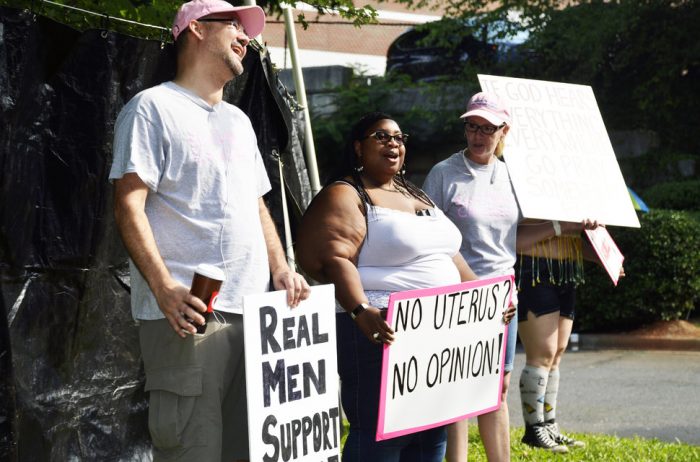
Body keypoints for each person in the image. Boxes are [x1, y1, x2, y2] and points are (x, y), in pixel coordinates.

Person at [109, 1, 310, 460]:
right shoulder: (152, 108)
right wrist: (163, 288)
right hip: (189, 321)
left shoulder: (238, 121)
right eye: (235, 27)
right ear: (196, 30)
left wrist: (281, 267)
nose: (246, 37)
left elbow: (256, 203)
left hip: (258, 318)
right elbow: (128, 204)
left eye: (249, 31)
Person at [296, 112, 514, 461]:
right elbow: (335, 259)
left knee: (430, 438)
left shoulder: (413, 192)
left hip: (436, 332)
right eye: (380, 136)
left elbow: (449, 255)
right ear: (358, 147)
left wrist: (486, 299)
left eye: (398, 137)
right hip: (380, 328)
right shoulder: (347, 193)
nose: (393, 143)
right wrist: (359, 308)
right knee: (381, 436)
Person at [422, 92, 520, 462]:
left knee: (497, 389)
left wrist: (563, 227)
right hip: (458, 296)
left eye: (488, 129)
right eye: (472, 126)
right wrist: (464, 286)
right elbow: (430, 238)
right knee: (461, 388)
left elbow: (514, 237)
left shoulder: (512, 175)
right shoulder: (444, 173)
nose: (478, 136)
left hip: (503, 297)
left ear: (503, 131)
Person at [515, 217, 618, 453]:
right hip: (534, 267)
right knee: (542, 353)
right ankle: (534, 429)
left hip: (567, 269)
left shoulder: (571, 192)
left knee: (557, 352)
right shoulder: (527, 187)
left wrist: (604, 259)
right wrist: (559, 226)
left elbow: (572, 239)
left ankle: (549, 424)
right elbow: (514, 238)